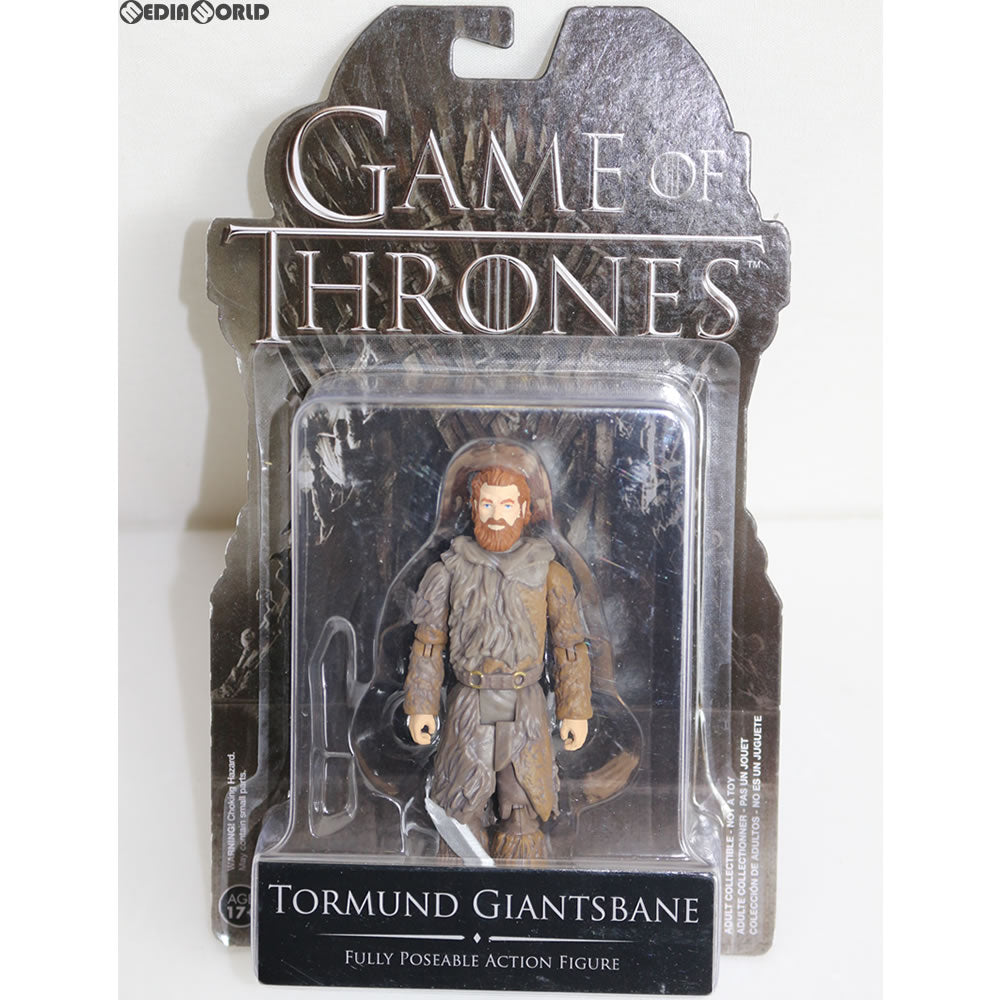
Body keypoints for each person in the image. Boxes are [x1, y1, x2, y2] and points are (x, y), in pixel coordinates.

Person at [404, 465, 592, 860]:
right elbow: (428, 644)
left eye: (507, 505)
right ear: (473, 507)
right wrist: (421, 705)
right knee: (461, 803)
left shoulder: (549, 572)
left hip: (525, 705)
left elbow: (569, 647)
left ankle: (521, 889)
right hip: (468, 704)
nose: (496, 514)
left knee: (522, 806)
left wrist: (575, 710)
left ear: (524, 510)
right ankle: (458, 885)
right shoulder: (449, 569)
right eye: (487, 504)